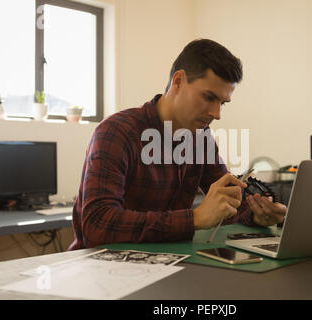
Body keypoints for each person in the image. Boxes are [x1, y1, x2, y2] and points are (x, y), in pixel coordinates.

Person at [68, 39, 287, 250]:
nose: (216, 113)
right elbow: (97, 226)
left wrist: (257, 214)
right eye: (208, 97)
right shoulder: (117, 132)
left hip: (165, 267)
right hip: (101, 273)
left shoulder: (199, 136)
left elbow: (227, 200)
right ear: (178, 81)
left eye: (222, 103)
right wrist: (194, 219)